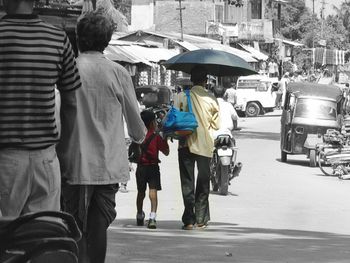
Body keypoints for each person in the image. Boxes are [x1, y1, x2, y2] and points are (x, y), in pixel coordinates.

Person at [58, 13, 146, 263]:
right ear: (106, 41)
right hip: (107, 167)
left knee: (72, 226)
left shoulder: (68, 69)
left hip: (71, 164)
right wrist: (139, 140)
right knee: (98, 227)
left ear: (79, 39)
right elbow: (137, 128)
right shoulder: (118, 73)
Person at [0, 0, 81, 217]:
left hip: (5, 161)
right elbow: (72, 102)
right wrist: (64, 152)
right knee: (43, 239)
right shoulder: (57, 37)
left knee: (6, 242)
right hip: (46, 159)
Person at [176, 66, 220, 230]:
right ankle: (201, 218)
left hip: (185, 143)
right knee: (203, 182)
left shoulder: (181, 96)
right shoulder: (212, 99)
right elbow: (216, 124)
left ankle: (189, 219)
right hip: (204, 145)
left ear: (191, 80)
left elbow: (176, 117)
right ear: (206, 81)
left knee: (187, 182)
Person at [136, 110, 169, 229]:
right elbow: (166, 152)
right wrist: (164, 139)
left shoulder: (138, 136)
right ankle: (152, 217)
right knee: (153, 190)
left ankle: (139, 215)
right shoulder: (156, 137)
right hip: (153, 167)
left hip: (141, 167)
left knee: (140, 192)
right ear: (152, 123)